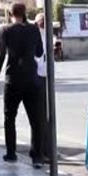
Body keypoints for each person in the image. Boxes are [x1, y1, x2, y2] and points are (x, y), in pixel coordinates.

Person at [0, 3, 44, 167]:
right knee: (35, 119)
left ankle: (11, 153)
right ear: (25, 13)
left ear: (9, 13)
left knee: (9, 118)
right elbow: (39, 52)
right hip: (31, 78)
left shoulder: (4, 30)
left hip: (13, 79)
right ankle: (37, 156)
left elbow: (1, 55)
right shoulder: (33, 29)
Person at [34, 12, 51, 161]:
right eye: (42, 21)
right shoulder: (34, 34)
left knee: (48, 115)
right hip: (37, 76)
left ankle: (47, 149)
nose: (44, 23)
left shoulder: (48, 34)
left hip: (47, 76)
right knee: (40, 116)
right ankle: (40, 151)